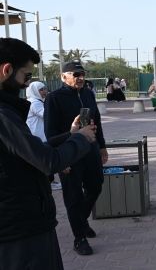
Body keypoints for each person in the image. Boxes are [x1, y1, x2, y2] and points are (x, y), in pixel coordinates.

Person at [0, 38, 97, 270]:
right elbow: (47, 160)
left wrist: (72, 135)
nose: (27, 84)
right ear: (6, 70)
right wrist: (81, 139)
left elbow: (21, 156)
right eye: (26, 77)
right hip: (19, 229)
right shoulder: (4, 114)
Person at [44, 60, 108, 256]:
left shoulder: (88, 94)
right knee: (73, 196)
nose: (80, 78)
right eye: (75, 75)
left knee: (96, 185)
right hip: (69, 154)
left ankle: (80, 221)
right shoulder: (54, 98)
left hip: (90, 150)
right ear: (64, 77)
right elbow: (50, 133)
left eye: (82, 74)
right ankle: (79, 237)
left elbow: (96, 121)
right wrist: (62, 159)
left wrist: (102, 146)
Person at [26, 81, 62, 191]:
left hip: (40, 136)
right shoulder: (34, 103)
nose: (44, 91)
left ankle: (49, 181)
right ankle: (49, 182)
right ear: (34, 91)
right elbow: (46, 115)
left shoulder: (37, 101)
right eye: (41, 90)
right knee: (45, 160)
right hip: (39, 136)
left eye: (44, 89)